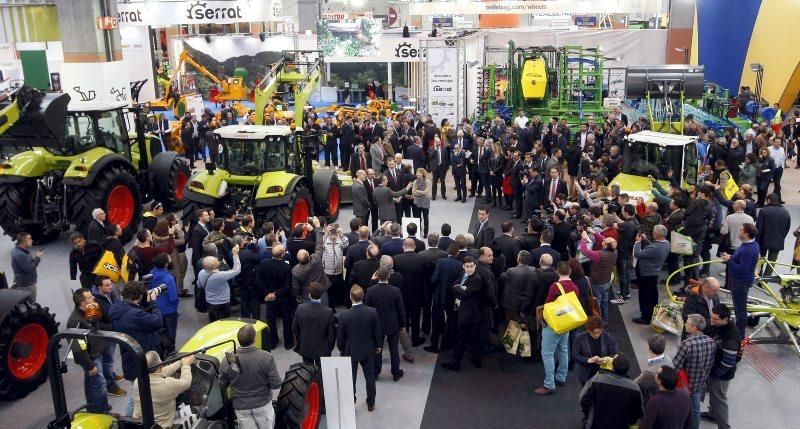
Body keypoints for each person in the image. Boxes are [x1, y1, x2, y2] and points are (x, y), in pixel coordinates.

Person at [110, 281, 164, 416]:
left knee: (136, 393)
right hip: (140, 360)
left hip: (130, 358)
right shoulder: (134, 315)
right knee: (135, 397)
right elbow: (157, 321)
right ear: (140, 296)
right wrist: (153, 303)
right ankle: (129, 420)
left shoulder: (119, 309)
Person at [219, 324, 283, 429]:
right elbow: (276, 384)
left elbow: (222, 384)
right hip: (262, 404)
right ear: (254, 338)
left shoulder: (227, 360)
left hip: (241, 407)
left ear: (239, 340)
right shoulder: (266, 357)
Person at [535, 261, 580, 395]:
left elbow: (548, 305)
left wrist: (543, 321)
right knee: (563, 350)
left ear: (557, 272)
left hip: (554, 324)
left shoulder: (555, 286)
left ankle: (549, 385)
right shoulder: (575, 287)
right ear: (570, 272)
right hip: (567, 323)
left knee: (547, 353)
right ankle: (561, 376)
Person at [337, 285, 382, 412]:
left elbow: (340, 337)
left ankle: (352, 401)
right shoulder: (372, 312)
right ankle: (371, 403)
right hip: (368, 350)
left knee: (351, 379)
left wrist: (341, 349)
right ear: (363, 296)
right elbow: (377, 331)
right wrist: (378, 346)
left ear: (350, 297)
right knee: (370, 378)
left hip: (350, 351)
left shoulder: (344, 315)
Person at [68, 288, 111, 413]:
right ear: (82, 303)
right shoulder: (75, 321)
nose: (94, 298)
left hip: (94, 352)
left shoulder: (90, 310)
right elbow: (78, 346)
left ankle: (93, 407)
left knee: (91, 382)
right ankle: (102, 412)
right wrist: (89, 365)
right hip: (89, 357)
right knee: (99, 384)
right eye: (90, 297)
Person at [441, 257, 485, 371]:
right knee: (471, 339)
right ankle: (476, 360)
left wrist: (458, 288)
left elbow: (465, 293)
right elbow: (455, 284)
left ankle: (455, 363)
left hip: (470, 314)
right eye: (467, 266)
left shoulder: (477, 279)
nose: (469, 269)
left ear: (475, 266)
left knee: (463, 339)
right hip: (464, 310)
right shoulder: (462, 273)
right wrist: (459, 288)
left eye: (471, 266)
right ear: (463, 266)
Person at [674, 314, 717, 429]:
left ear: (694, 328)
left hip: (684, 385)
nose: (685, 325)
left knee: (680, 410)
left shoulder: (686, 344)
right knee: (696, 410)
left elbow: (676, 366)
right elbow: (711, 363)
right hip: (699, 384)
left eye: (687, 323)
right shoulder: (711, 342)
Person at [579, 353, 643, 428]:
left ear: (612, 366)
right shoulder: (634, 388)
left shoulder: (597, 380)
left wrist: (587, 415)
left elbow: (583, 399)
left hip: (596, 424)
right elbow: (638, 411)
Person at [702, 304, 741, 429]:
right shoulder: (722, 326)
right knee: (714, 396)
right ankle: (713, 414)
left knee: (719, 400)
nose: (712, 322)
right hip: (716, 368)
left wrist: (715, 374)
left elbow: (728, 362)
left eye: (715, 319)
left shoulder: (731, 338)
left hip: (722, 374)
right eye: (711, 318)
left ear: (726, 319)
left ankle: (724, 427)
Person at [364, 267, 406, 381]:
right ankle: (396, 373)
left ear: (377, 276)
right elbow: (401, 310)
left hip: (376, 325)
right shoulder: (395, 290)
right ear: (389, 276)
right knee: (394, 350)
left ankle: (376, 372)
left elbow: (366, 307)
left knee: (377, 349)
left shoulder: (370, 290)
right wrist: (403, 324)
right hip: (393, 324)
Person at [132, 351, 194, 428]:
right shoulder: (167, 384)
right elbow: (187, 382)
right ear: (161, 365)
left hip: (140, 425)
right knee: (193, 413)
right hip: (162, 426)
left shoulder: (137, 381)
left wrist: (181, 361)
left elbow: (160, 372)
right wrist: (186, 365)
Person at [720, 223, 760, 337]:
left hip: (741, 282)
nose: (739, 231)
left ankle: (739, 335)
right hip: (740, 281)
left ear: (746, 234)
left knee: (740, 309)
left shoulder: (748, 249)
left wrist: (728, 261)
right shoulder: (750, 245)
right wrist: (732, 257)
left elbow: (743, 269)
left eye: (741, 230)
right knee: (739, 307)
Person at [91, 276, 126, 397]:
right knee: (108, 361)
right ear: (99, 287)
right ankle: (111, 386)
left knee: (109, 361)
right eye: (107, 285)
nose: (110, 287)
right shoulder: (95, 302)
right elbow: (97, 324)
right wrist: (113, 327)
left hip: (112, 332)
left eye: (110, 284)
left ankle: (110, 374)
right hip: (106, 335)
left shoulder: (109, 294)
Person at [427, 244, 464, 353]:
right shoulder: (460, 265)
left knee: (436, 320)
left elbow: (434, 279)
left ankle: (434, 345)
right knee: (452, 320)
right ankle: (448, 343)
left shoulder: (440, 262)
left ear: (448, 251)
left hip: (439, 296)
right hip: (452, 297)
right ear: (457, 253)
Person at [257, 245, 295, 349]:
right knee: (287, 320)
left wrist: (268, 294)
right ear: (283, 254)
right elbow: (288, 286)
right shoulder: (286, 267)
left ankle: (273, 342)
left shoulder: (264, 264)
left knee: (271, 321)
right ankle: (288, 342)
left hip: (269, 299)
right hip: (283, 298)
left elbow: (259, 281)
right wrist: (276, 294)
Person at [392, 238, 428, 346]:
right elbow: (425, 277)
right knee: (416, 317)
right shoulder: (422, 259)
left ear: (403, 246)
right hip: (417, 294)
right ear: (415, 247)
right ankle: (415, 339)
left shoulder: (396, 259)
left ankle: (404, 338)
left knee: (404, 316)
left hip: (401, 293)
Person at [632, 225, 671, 324]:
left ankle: (645, 317)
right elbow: (653, 250)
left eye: (653, 232)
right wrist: (646, 240)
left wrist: (638, 242)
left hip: (646, 274)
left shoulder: (654, 247)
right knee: (653, 294)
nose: (652, 233)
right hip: (654, 273)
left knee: (644, 296)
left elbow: (637, 254)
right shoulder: (666, 243)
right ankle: (653, 313)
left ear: (657, 234)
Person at [293, 282, 335, 365]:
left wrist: (301, 342)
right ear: (322, 294)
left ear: (309, 294)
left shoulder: (300, 308)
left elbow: (295, 329)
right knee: (321, 373)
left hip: (305, 347)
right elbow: (331, 335)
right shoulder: (328, 312)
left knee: (308, 373)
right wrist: (328, 348)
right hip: (323, 349)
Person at [196, 244, 242, 322]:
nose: (218, 260)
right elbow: (237, 270)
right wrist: (235, 254)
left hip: (209, 302)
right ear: (214, 266)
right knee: (225, 322)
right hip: (222, 303)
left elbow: (198, 284)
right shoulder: (219, 275)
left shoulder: (201, 273)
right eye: (216, 261)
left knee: (213, 322)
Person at [578, 231, 617, 322]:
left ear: (605, 245)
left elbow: (584, 250)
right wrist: (594, 232)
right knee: (604, 302)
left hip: (597, 282)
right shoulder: (615, 251)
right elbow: (605, 240)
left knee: (596, 304)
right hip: (607, 281)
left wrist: (584, 238)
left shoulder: (599, 255)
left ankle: (598, 323)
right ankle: (605, 321)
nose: (603, 239)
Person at [292, 218, 331, 305]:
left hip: (307, 294)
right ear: (309, 256)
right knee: (325, 311)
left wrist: (297, 296)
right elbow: (319, 244)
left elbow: (296, 286)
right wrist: (316, 228)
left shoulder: (295, 270)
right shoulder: (316, 258)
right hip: (322, 290)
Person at [571, 316, 620, 385]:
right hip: (586, 374)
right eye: (594, 333)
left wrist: (605, 359)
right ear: (588, 330)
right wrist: (588, 360)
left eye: (599, 332)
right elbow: (575, 355)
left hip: (605, 374)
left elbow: (615, 353)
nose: (597, 335)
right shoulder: (581, 337)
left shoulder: (607, 337)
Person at [148, 253, 179, 353]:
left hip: (156, 307)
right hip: (169, 309)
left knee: (161, 331)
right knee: (171, 331)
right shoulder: (168, 278)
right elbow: (173, 297)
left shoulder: (151, 273)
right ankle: (171, 351)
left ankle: (162, 349)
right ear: (166, 264)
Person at [755, 193, 791, 276]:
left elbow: (759, 228)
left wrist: (757, 241)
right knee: (771, 262)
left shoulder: (763, 211)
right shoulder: (786, 212)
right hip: (778, 240)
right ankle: (766, 279)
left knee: (760, 259)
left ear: (768, 200)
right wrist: (781, 237)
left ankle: (758, 275)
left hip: (763, 240)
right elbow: (787, 227)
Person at [635, 333, 674, 405]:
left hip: (654, 400)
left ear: (649, 348)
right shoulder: (668, 358)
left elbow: (635, 385)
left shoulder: (650, 372)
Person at [499, 251, 536, 321]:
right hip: (527, 303)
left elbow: (501, 276)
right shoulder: (534, 270)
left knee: (511, 326)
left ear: (518, 259)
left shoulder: (511, 271)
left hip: (512, 304)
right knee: (525, 325)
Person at [11, 231, 43, 303]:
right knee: (31, 304)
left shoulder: (17, 250)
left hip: (24, 283)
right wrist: (38, 257)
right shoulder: (20, 255)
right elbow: (30, 269)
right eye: (29, 239)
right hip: (27, 285)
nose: (31, 240)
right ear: (23, 242)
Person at [410, 168, 432, 236]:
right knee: (418, 218)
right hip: (417, 202)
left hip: (425, 202)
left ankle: (426, 232)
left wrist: (417, 191)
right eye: (417, 173)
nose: (417, 174)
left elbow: (426, 192)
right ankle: (418, 231)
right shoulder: (414, 181)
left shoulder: (428, 181)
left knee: (426, 218)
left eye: (419, 173)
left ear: (423, 173)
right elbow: (413, 192)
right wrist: (420, 193)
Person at [766, 137, 785, 202]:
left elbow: (783, 158)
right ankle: (764, 198)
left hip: (779, 169)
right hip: (770, 170)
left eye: (780, 142)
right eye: (777, 142)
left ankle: (778, 200)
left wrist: (782, 167)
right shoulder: (768, 149)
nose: (779, 144)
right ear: (773, 142)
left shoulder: (782, 149)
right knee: (766, 184)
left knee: (777, 184)